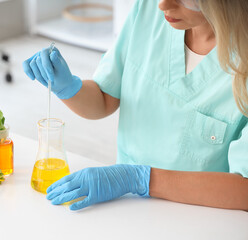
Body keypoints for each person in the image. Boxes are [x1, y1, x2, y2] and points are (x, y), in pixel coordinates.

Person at [22, 0, 248, 211]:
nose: (163, 5)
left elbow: (244, 189)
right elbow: (104, 98)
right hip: (126, 205)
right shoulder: (148, 10)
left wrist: (140, 179)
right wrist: (69, 87)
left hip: (199, 217)